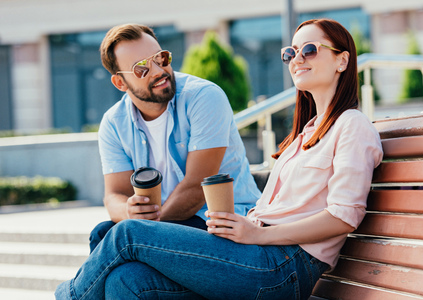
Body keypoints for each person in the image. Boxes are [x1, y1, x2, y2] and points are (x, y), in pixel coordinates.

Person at [55, 18, 383, 300]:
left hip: (283, 266)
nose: (296, 58)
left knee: (127, 234)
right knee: (123, 281)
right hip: (255, 249)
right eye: (290, 52)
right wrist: (249, 228)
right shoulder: (307, 132)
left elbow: (344, 216)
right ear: (120, 82)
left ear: (342, 61)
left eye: (309, 50)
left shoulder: (352, 125)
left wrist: (259, 234)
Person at [89, 24, 261, 252]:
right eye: (141, 69)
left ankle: (70, 290)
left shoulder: (204, 97)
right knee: (101, 234)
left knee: (125, 255)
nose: (158, 71)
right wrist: (129, 212)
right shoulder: (113, 122)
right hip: (164, 222)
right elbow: (115, 195)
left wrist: (145, 230)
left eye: (161, 58)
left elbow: (197, 189)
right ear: (120, 83)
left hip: (217, 221)